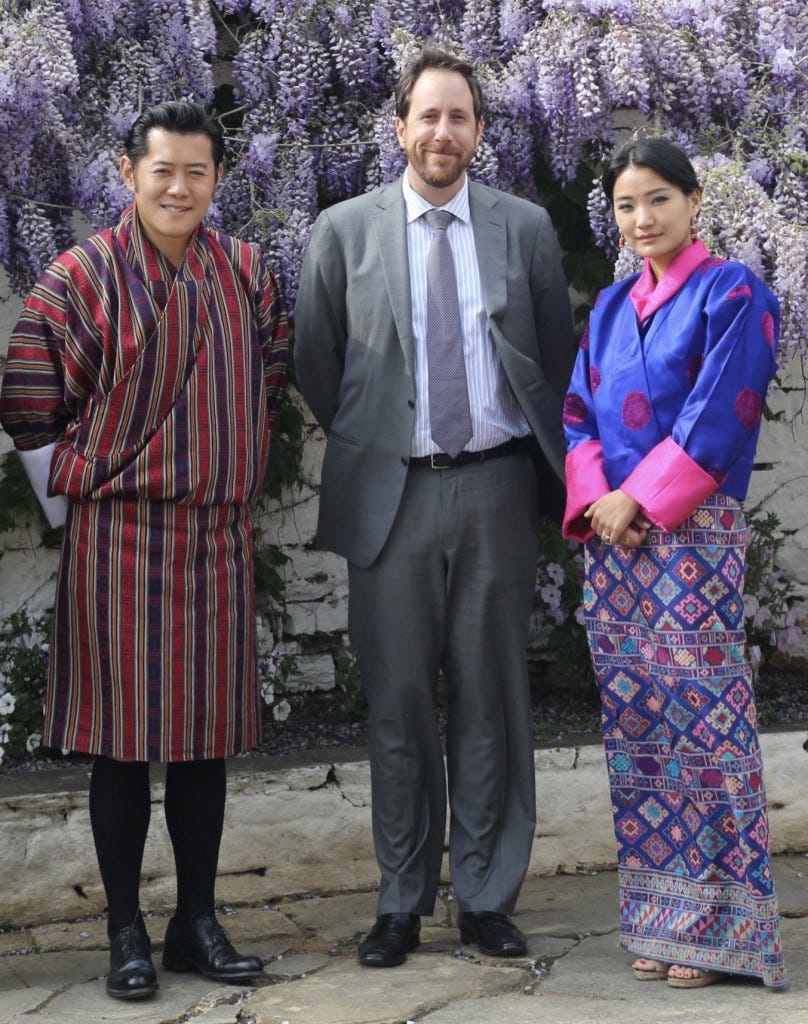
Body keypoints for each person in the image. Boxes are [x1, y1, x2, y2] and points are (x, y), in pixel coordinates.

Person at [294, 46, 575, 968]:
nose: (442, 133)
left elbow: (552, 360)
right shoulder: (344, 230)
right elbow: (318, 365)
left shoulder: (525, 227)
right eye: (428, 116)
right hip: (394, 495)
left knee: (493, 699)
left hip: (495, 483)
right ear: (400, 126)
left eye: (459, 117)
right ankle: (402, 898)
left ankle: (488, 896)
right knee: (400, 705)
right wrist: (380, 437)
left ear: (480, 130)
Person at [0, 101, 288, 999]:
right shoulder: (81, 276)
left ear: (217, 181)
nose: (179, 187)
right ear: (128, 174)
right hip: (117, 536)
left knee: (205, 745)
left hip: (213, 536)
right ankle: (123, 928)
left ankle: (195, 921)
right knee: (119, 749)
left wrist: (214, 457)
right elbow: (27, 393)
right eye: (162, 170)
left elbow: (270, 377)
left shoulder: (245, 272)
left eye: (197, 173)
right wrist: (78, 494)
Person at [562, 137, 787, 990]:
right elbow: (579, 411)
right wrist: (595, 501)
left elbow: (719, 414)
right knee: (642, 733)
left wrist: (639, 499)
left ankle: (727, 929)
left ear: (695, 203)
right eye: (625, 204)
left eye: (658, 199)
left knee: (705, 722)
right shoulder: (613, 305)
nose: (642, 218)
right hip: (614, 544)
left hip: (688, 536)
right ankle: (662, 915)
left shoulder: (736, 291)